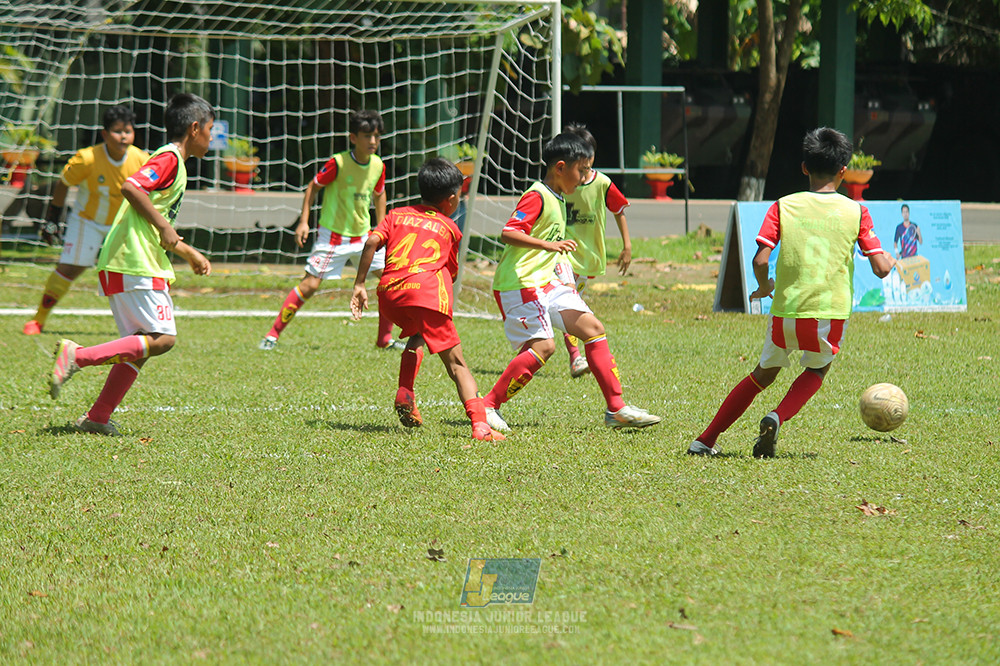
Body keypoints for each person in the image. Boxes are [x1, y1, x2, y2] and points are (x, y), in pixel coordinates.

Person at [687, 127, 896, 458]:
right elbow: (881, 268)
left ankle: (705, 440)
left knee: (762, 375)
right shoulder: (856, 211)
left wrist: (764, 285)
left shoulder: (784, 206)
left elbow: (760, 259)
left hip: (786, 310)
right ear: (844, 171)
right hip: (830, 313)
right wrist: (890, 261)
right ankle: (777, 416)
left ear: (804, 167)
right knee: (817, 369)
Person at [48, 93, 215, 435]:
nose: (212, 138)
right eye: (210, 130)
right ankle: (77, 356)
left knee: (140, 346)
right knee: (162, 339)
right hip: (132, 260)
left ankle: (97, 417)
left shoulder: (175, 163)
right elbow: (132, 187)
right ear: (195, 128)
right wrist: (167, 229)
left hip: (134, 259)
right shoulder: (169, 157)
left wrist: (189, 253)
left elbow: (154, 222)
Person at [481, 131, 661, 432]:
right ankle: (488, 405)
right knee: (545, 347)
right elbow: (508, 232)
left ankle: (616, 409)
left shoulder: (558, 196)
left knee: (593, 328)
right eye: (582, 170)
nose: (585, 177)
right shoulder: (537, 195)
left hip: (546, 282)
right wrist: (549, 246)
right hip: (520, 283)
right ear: (561, 168)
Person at [350, 158, 505, 441]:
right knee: (456, 363)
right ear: (451, 199)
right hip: (425, 294)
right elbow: (452, 273)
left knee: (418, 335)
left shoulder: (396, 215)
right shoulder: (450, 227)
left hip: (389, 295)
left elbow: (372, 242)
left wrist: (360, 284)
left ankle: (405, 392)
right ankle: (481, 426)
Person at [258, 109, 400, 351]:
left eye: (376, 136)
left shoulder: (378, 165)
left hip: (364, 237)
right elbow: (313, 187)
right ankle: (272, 335)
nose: (373, 142)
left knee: (389, 281)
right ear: (353, 138)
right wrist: (304, 221)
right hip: (334, 237)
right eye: (367, 136)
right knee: (310, 285)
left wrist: (382, 227)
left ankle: (384, 339)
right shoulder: (338, 162)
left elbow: (379, 194)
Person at [23, 105, 150, 335]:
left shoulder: (141, 160)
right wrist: (52, 218)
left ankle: (140, 325)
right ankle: (38, 319)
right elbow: (63, 183)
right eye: (117, 131)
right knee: (70, 268)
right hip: (87, 221)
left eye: (128, 131)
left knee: (136, 273)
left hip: (123, 225)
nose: (123, 136)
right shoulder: (87, 158)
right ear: (104, 134)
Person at [557, 123, 632, 378]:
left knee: (573, 303)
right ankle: (576, 357)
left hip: (589, 256)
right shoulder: (561, 184)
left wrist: (627, 246)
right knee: (570, 302)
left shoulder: (602, 183)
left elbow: (618, 210)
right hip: (563, 254)